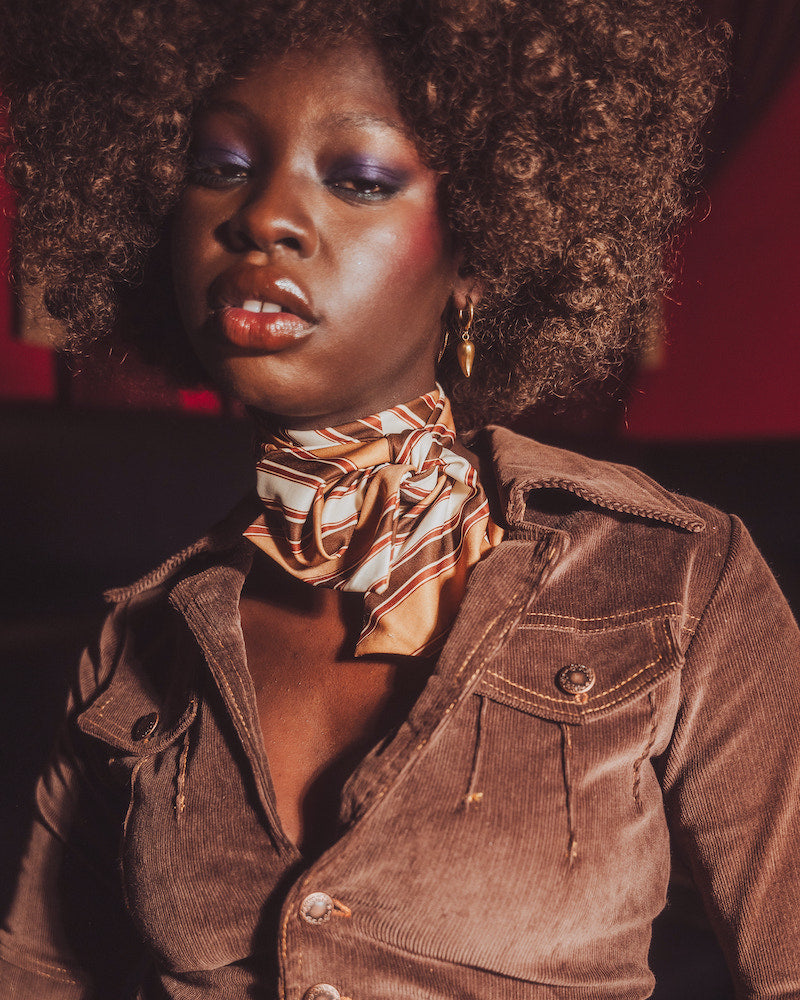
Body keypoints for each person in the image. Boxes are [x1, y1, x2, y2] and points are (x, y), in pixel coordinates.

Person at [2, 1, 798, 998]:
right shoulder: (136, 649)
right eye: (221, 167)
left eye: (359, 179)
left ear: (474, 258)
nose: (260, 219)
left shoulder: (675, 581)